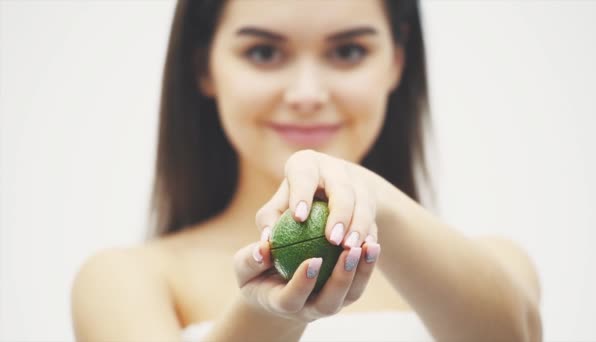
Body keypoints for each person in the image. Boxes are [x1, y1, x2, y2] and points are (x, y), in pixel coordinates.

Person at [71, 0, 542, 341]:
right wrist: (274, 312)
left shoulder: (496, 266)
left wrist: (374, 198)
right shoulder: (125, 281)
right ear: (204, 66)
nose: (307, 93)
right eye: (263, 52)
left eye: (348, 51)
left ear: (397, 61)